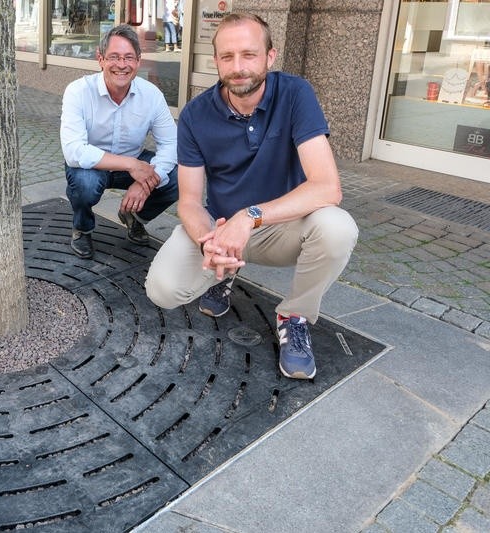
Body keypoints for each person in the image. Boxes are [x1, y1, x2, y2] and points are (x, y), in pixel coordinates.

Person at [145, 13, 358, 380]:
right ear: (215, 61)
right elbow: (190, 200)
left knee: (337, 227)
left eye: (249, 54)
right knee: (162, 290)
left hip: (279, 227)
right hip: (221, 230)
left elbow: (328, 187)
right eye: (227, 57)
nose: (238, 67)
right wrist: (207, 241)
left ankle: (295, 314)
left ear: (270, 57)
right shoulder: (195, 115)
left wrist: (250, 216)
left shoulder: (295, 94)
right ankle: (222, 273)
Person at [60, 24, 179, 260]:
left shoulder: (151, 95)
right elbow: (74, 151)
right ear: (100, 59)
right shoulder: (78, 91)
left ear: (138, 61)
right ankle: (82, 228)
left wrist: (144, 183)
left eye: (128, 57)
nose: (122, 65)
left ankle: (135, 217)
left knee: (177, 178)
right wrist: (132, 165)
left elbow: (172, 144)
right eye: (114, 57)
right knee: (84, 185)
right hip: (93, 166)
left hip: (131, 161)